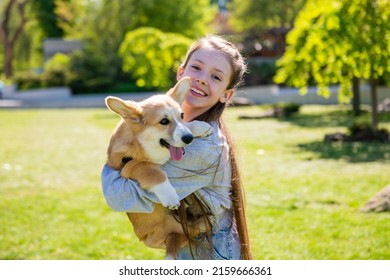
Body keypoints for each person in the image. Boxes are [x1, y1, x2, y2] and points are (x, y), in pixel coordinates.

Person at [101, 34, 252, 260]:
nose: (202, 79)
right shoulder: (177, 130)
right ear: (181, 73)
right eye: (197, 68)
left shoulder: (205, 147)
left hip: (211, 252)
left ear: (226, 95)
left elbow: (120, 196)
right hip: (188, 244)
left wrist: (116, 167)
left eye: (216, 77)